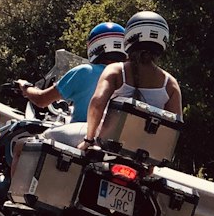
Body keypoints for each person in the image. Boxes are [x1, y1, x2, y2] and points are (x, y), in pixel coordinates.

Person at [10, 22, 127, 157]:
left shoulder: (86, 71)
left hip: (82, 135)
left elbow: (41, 100)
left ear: (95, 46)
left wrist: (25, 87)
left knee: (23, 147)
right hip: (117, 145)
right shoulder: (128, 79)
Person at [77, 11, 182, 154]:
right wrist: (151, 163)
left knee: (50, 135)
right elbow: (172, 129)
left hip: (105, 143)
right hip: (141, 153)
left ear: (129, 38)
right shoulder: (170, 84)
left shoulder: (115, 70)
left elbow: (97, 104)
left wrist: (88, 140)